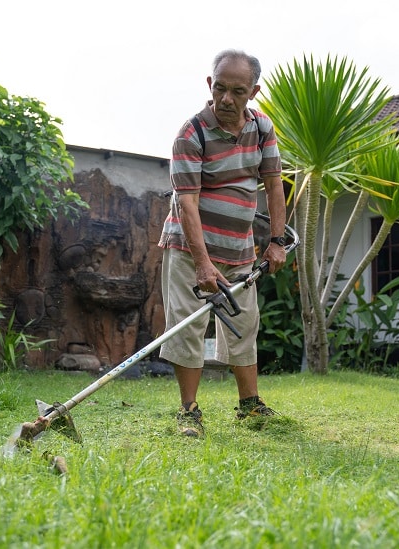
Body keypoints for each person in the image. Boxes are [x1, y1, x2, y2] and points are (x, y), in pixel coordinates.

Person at [157, 49, 288, 437]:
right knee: (187, 326)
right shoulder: (191, 133)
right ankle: (189, 412)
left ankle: (250, 406)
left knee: (244, 325)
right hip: (188, 249)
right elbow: (187, 201)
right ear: (209, 84)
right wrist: (202, 263)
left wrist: (277, 240)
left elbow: (274, 184)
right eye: (221, 88)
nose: (227, 99)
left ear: (254, 92)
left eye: (238, 91)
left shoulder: (262, 128)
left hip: (239, 249)